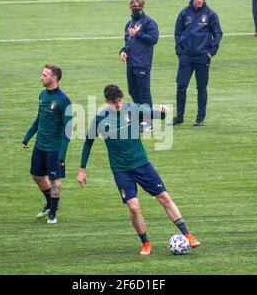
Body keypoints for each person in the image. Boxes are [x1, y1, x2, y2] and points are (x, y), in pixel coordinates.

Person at [77, 84, 200, 255]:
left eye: (120, 101)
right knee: (134, 207)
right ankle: (146, 243)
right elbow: (88, 143)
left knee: (164, 197)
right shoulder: (99, 119)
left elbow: (156, 114)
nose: (119, 105)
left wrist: (163, 112)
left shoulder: (132, 109)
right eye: (115, 103)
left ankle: (188, 235)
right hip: (121, 170)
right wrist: (82, 169)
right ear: (107, 101)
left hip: (142, 164)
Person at [22, 65, 72, 224]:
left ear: (54, 78)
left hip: (54, 148)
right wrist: (27, 137)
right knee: (36, 176)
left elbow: (67, 130)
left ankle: (53, 212)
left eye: (44, 75)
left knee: (54, 179)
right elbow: (39, 119)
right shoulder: (42, 95)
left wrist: (62, 154)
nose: (41, 77)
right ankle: (50, 202)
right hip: (39, 146)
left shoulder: (64, 100)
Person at [169, 0, 223, 127]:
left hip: (202, 57)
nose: (199, 0)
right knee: (181, 86)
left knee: (201, 87)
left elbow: (217, 33)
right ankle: (180, 116)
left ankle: (200, 118)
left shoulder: (211, 14)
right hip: (186, 57)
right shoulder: (184, 14)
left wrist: (211, 51)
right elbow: (177, 33)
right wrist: (179, 51)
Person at [119, 0, 159, 132]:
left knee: (144, 93)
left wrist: (138, 34)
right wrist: (123, 51)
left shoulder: (149, 23)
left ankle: (148, 122)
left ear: (143, 7)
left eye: (139, 7)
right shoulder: (128, 24)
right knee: (133, 91)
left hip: (142, 63)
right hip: (130, 63)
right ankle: (139, 119)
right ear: (130, 8)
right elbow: (128, 43)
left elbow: (154, 39)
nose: (136, 9)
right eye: (133, 7)